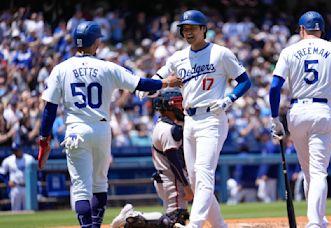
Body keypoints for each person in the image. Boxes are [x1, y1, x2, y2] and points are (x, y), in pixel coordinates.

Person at [37, 21, 181, 228]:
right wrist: (166, 82)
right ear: (96, 42)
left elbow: (49, 109)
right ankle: (95, 225)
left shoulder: (61, 69)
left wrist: (44, 140)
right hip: (101, 129)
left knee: (80, 188)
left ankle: (88, 227)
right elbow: (141, 84)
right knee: (99, 184)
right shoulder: (107, 67)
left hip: (76, 130)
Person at [150, 10, 251, 228]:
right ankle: (219, 226)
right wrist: (146, 86)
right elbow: (158, 77)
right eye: (184, 29)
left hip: (213, 118)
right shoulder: (178, 57)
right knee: (195, 180)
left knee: (204, 175)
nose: (188, 32)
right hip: (190, 120)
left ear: (204, 29)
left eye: (192, 28)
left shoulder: (221, 53)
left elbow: (245, 81)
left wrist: (229, 98)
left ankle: (194, 225)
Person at [269, 11, 331, 227]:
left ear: (301, 29)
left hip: (297, 112)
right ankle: (314, 222)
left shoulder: (289, 50)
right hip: (323, 110)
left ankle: (318, 218)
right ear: (320, 30)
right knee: (319, 170)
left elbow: (275, 87)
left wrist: (275, 118)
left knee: (308, 171)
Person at [111, 89, 193, 228]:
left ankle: (133, 217)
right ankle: (134, 217)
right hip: (172, 179)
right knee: (176, 221)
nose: (182, 107)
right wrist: (186, 185)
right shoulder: (168, 129)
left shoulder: (162, 124)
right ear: (168, 106)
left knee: (176, 218)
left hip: (165, 178)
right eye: (178, 103)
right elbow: (174, 162)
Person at [0, 143, 35, 211]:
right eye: (14, 150)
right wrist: (7, 182)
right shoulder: (8, 160)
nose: (15, 152)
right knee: (15, 210)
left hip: (27, 187)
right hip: (15, 188)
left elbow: (36, 172)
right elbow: (1, 173)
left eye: (17, 150)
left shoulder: (29, 158)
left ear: (21, 149)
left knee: (29, 210)